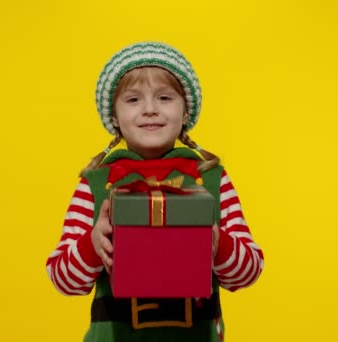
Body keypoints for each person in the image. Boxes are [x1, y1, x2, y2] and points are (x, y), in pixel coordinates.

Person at [46, 42, 264, 342]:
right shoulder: (97, 184)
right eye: (133, 99)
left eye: (164, 97)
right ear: (115, 117)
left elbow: (248, 273)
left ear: (185, 110)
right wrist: (93, 244)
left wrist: (217, 242)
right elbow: (63, 280)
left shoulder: (210, 179)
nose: (150, 109)